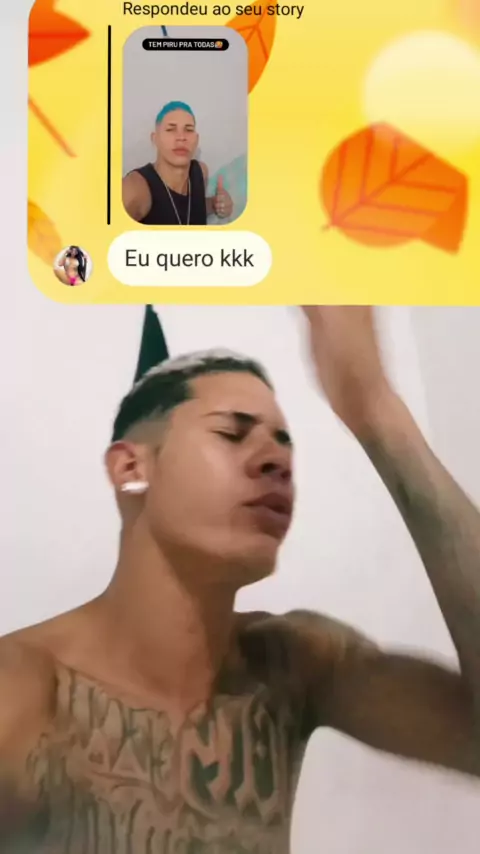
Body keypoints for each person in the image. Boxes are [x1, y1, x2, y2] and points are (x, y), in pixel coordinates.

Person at [1, 307, 480, 852]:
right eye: (232, 433)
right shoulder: (24, 692)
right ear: (131, 469)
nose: (277, 461)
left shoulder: (294, 666)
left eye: (284, 443)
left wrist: (376, 411)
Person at [122, 101, 234, 226]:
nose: (181, 137)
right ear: (155, 139)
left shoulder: (200, 171)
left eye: (189, 130)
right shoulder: (136, 188)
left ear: (196, 140)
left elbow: (187, 208)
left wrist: (215, 204)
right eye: (170, 129)